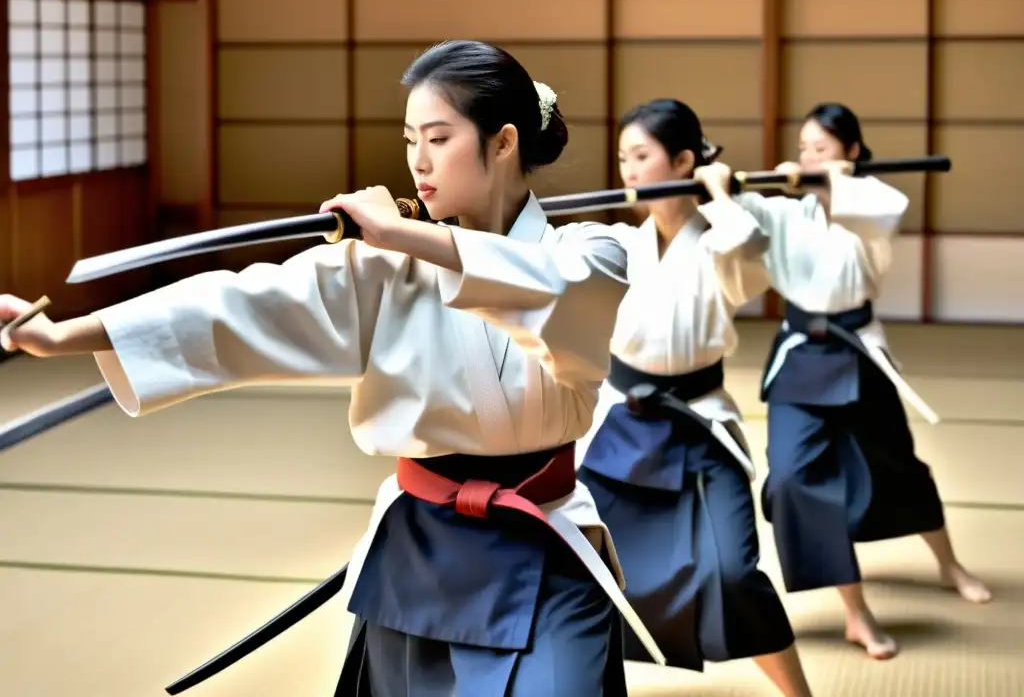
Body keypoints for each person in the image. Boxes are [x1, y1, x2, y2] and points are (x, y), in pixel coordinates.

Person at [0, 40, 665, 696]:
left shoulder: (592, 250)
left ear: (503, 142)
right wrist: (61, 336)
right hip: (420, 553)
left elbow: (547, 288)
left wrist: (398, 233)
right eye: (410, 140)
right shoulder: (382, 267)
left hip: (544, 542)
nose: (418, 162)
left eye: (438, 138)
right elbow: (240, 303)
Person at [737, 101, 991, 661]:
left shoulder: (868, 209)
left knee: (896, 465)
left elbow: (879, 208)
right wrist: (718, 186)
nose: (808, 158)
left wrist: (836, 184)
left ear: (851, 153)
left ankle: (950, 565)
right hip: (801, 357)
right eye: (804, 148)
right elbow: (738, 214)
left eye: (821, 149)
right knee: (794, 481)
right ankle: (855, 613)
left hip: (859, 354)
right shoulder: (790, 213)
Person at [575, 99, 813, 697]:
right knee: (589, 577)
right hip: (620, 428)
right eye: (623, 157)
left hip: (699, 424)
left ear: (682, 160)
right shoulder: (619, 243)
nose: (627, 171)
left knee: (735, 573)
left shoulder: (721, 239)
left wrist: (720, 193)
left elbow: (752, 249)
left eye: (641, 156)